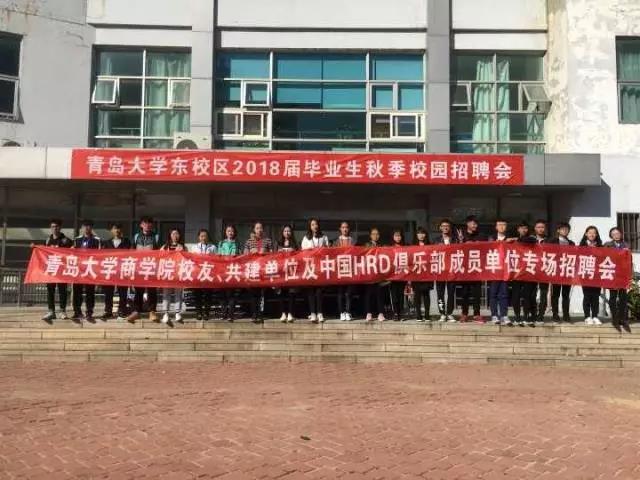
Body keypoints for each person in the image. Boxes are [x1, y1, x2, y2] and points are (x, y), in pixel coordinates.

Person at [127, 216, 160, 323]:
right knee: (138, 290)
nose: (147, 225)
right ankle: (136, 311)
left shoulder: (156, 237)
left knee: (152, 290)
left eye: (149, 223)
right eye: (145, 223)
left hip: (152, 267)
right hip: (139, 267)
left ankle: (152, 312)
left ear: (152, 225)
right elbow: (131, 251)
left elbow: (161, 253)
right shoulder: (136, 236)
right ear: (141, 225)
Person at [41, 218, 72, 323]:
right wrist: (35, 248)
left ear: (60, 227)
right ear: (50, 228)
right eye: (53, 226)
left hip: (62, 270)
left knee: (62, 290)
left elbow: (73, 252)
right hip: (51, 269)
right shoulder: (47, 240)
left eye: (56, 226)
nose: (54, 228)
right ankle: (51, 311)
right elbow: (42, 252)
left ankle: (62, 311)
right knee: (50, 290)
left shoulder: (66, 240)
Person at [456, 215, 486, 323]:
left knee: (477, 293)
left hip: (476, 268)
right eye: (473, 223)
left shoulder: (481, 235)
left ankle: (477, 314)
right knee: (465, 293)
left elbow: (485, 248)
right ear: (467, 223)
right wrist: (461, 242)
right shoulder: (461, 235)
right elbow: (455, 250)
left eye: (476, 224)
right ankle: (464, 314)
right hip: (465, 269)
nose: (475, 225)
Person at [243, 222, 273, 323]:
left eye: (260, 228)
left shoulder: (268, 241)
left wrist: (264, 253)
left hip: (264, 270)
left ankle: (261, 313)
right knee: (253, 294)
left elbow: (272, 255)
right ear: (254, 230)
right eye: (257, 228)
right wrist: (252, 253)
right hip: (253, 270)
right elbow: (244, 255)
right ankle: (254, 313)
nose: (259, 230)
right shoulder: (249, 241)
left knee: (262, 294)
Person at [71, 219, 101, 322]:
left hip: (90, 269)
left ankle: (89, 312)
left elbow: (100, 255)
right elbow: (72, 253)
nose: (87, 228)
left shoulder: (97, 240)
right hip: (79, 269)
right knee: (77, 291)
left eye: (89, 226)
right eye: (85, 226)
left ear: (91, 228)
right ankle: (77, 311)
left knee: (90, 291)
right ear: (82, 228)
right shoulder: (77, 239)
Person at [101, 223, 131, 320]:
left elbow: (131, 255)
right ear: (111, 230)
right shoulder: (106, 243)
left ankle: (122, 310)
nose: (117, 230)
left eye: (118, 228)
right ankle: (108, 311)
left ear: (121, 230)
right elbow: (102, 256)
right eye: (114, 228)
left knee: (123, 292)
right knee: (108, 292)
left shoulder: (127, 242)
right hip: (110, 269)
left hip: (122, 270)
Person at [301, 218, 329, 323]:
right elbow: (303, 253)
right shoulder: (306, 238)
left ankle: (320, 313)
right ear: (310, 226)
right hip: (310, 267)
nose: (315, 226)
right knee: (311, 291)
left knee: (319, 291)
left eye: (316, 224)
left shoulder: (324, 237)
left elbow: (328, 251)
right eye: (312, 224)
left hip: (320, 267)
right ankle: (312, 313)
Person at [547, 222, 574, 323]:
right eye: (563, 229)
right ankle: (555, 314)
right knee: (555, 294)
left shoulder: (571, 243)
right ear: (558, 230)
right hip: (556, 271)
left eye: (567, 229)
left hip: (567, 271)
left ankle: (566, 314)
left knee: (566, 295)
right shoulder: (552, 241)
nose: (565, 231)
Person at [510, 221, 537, 327]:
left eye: (525, 228)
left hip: (528, 272)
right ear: (518, 229)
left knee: (527, 296)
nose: (524, 230)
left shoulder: (531, 239)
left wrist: (516, 239)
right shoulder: (512, 242)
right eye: (521, 228)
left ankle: (526, 316)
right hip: (516, 272)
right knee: (516, 295)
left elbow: (530, 240)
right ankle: (517, 316)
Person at [604, 227, 630, 330]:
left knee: (623, 297)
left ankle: (622, 319)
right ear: (611, 235)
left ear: (621, 234)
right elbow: (603, 256)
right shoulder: (607, 245)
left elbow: (629, 260)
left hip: (623, 274)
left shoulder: (626, 245)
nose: (616, 235)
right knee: (613, 297)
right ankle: (614, 318)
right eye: (613, 234)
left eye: (617, 233)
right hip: (612, 273)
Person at [432, 219, 457, 323]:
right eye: (443, 226)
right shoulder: (436, 240)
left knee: (451, 293)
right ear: (440, 228)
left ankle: (450, 313)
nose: (445, 227)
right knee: (440, 293)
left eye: (447, 226)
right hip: (440, 270)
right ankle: (442, 313)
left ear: (449, 228)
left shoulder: (455, 240)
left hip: (451, 270)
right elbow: (432, 253)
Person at [488, 219, 511, 326]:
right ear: (496, 227)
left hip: (505, 270)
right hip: (493, 269)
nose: (502, 227)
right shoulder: (491, 239)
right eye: (500, 225)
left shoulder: (510, 240)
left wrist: (513, 240)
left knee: (504, 294)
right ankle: (494, 315)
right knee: (493, 293)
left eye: (504, 225)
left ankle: (504, 315)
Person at [160, 227, 186, 324]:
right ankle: (165, 313)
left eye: (177, 234)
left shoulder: (183, 247)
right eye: (173, 234)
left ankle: (177, 313)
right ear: (170, 235)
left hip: (178, 273)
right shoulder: (164, 247)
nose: (175, 236)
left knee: (178, 293)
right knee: (166, 294)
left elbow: (186, 259)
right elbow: (159, 258)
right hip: (167, 272)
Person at [580, 225, 603, 325]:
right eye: (590, 232)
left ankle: (595, 316)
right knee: (587, 296)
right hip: (585, 274)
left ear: (596, 234)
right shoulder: (581, 246)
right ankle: (587, 316)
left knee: (596, 296)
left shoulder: (600, 246)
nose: (592, 234)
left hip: (597, 275)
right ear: (586, 234)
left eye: (594, 233)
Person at [191, 229, 216, 321]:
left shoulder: (213, 247)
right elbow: (191, 259)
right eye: (201, 236)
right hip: (197, 273)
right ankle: (199, 312)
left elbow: (216, 260)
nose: (203, 238)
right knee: (197, 295)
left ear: (208, 237)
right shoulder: (194, 247)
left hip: (208, 273)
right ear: (198, 237)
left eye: (205, 236)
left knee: (208, 295)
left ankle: (206, 313)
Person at [218, 225, 241, 321]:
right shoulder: (221, 243)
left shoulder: (237, 243)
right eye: (228, 231)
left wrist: (237, 255)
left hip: (233, 270)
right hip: (223, 270)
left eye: (232, 231)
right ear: (225, 232)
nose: (230, 233)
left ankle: (231, 314)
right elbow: (218, 256)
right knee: (223, 293)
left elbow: (241, 256)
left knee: (231, 293)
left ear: (234, 232)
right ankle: (223, 313)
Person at [364, 227, 386, 322]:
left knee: (379, 293)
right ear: (370, 235)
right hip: (369, 273)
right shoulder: (366, 245)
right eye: (373, 234)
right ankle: (369, 313)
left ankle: (380, 313)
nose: (375, 236)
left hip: (379, 273)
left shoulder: (382, 246)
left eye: (377, 234)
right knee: (369, 294)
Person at [277, 224, 298, 323]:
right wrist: (279, 252)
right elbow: (273, 256)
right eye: (285, 231)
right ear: (282, 232)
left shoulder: (295, 243)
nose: (287, 233)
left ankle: (290, 313)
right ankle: (283, 313)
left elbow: (300, 255)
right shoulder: (278, 243)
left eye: (288, 231)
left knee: (291, 292)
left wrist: (294, 252)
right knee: (281, 292)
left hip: (291, 270)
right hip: (281, 271)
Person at [334, 221, 354, 321]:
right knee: (340, 292)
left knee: (349, 293)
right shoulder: (336, 242)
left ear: (348, 229)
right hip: (339, 269)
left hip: (350, 269)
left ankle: (348, 311)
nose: (345, 229)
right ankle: (341, 312)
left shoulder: (352, 241)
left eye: (346, 227)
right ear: (340, 229)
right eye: (343, 227)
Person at [412, 227, 432, 322]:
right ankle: (419, 315)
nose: (421, 235)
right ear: (416, 235)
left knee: (426, 294)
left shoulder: (430, 245)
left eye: (423, 233)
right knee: (417, 295)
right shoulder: (412, 246)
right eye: (419, 233)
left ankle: (427, 314)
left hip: (426, 273)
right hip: (416, 273)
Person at [533, 220, 550, 323]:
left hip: (544, 270)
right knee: (532, 293)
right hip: (531, 269)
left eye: (542, 227)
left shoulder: (550, 241)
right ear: (535, 228)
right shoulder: (530, 240)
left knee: (543, 293)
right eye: (538, 227)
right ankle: (533, 313)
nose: (540, 229)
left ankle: (540, 315)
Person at [389, 229, 407, 321]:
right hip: (393, 275)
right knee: (394, 295)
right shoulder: (389, 248)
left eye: (399, 235)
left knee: (401, 295)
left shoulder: (406, 247)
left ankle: (401, 313)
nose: (398, 237)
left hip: (403, 275)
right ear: (393, 237)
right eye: (396, 236)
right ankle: (395, 313)